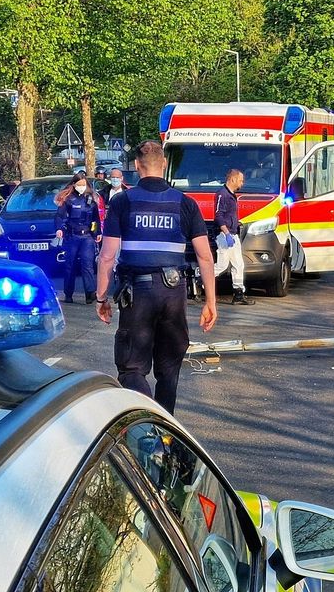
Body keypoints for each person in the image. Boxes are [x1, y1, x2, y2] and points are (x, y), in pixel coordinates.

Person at [95, 141, 217, 414]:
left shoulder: (122, 202)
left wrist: (101, 297)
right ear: (164, 164)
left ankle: (147, 427)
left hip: (138, 295)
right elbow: (205, 257)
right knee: (169, 368)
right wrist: (211, 301)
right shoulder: (186, 204)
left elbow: (107, 256)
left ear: (137, 167)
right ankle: (166, 434)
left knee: (132, 368)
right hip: (173, 294)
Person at [54, 172, 102, 304]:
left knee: (88, 265)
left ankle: (90, 293)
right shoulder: (68, 199)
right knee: (70, 265)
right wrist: (59, 228)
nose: (81, 187)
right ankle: (68, 294)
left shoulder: (91, 199)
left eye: (83, 184)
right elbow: (59, 216)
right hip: (72, 236)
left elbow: (96, 218)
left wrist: (97, 232)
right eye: (79, 185)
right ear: (74, 185)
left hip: (87, 236)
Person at [214, 169, 254, 305]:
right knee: (222, 265)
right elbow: (218, 215)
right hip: (225, 235)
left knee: (238, 264)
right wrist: (225, 233)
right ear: (233, 179)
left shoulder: (231, 195)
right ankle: (199, 276)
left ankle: (238, 294)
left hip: (232, 234)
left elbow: (229, 215)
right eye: (241, 180)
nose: (242, 183)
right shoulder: (222, 194)